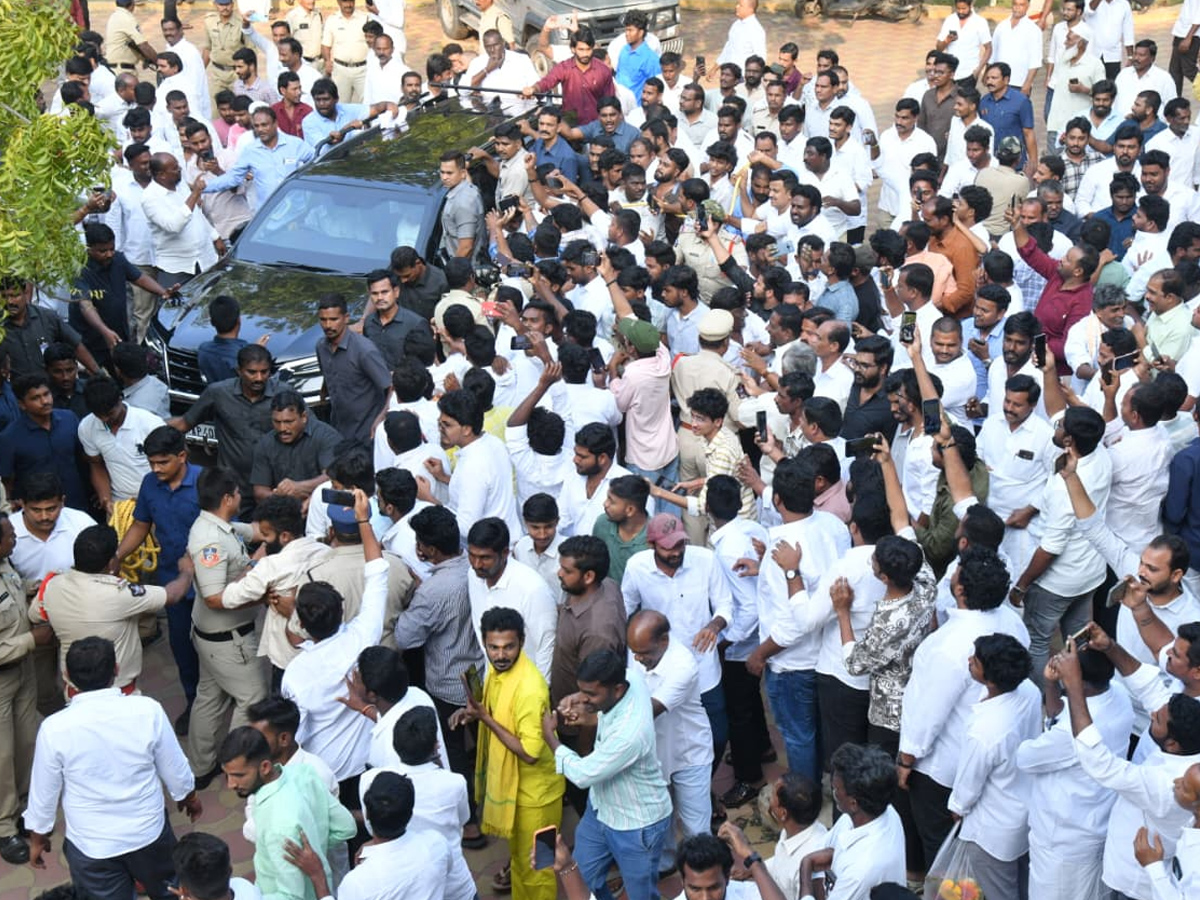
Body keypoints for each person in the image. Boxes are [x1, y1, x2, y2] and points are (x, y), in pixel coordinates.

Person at [25, 637, 201, 897]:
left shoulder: (54, 728)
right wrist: (189, 797)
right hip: (148, 832)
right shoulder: (146, 710)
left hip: (91, 845)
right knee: (172, 893)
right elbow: (174, 766)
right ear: (116, 670)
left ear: (67, 676)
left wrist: (38, 837)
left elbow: (44, 792)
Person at [896, 546, 1030, 873]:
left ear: (959, 589)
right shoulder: (1013, 623)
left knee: (940, 847)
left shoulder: (948, 645)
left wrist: (906, 759)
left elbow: (929, 713)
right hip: (991, 758)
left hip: (942, 766)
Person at [449, 608, 564, 900]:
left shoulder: (529, 688)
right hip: (519, 796)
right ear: (484, 644)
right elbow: (498, 712)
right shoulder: (498, 673)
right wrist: (471, 713)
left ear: (522, 642)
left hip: (539, 798)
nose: (501, 655)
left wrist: (485, 718)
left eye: (508, 647)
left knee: (540, 871)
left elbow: (529, 753)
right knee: (522, 866)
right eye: (494, 647)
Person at [544, 649, 673, 900]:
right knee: (580, 878)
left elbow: (583, 774)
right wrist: (585, 705)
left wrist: (550, 737)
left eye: (591, 694)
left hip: (637, 826)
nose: (583, 698)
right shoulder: (630, 678)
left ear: (617, 690)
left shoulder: (629, 735)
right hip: (601, 809)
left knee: (641, 896)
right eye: (581, 690)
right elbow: (605, 711)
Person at [1015, 645, 1134, 900]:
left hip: (1062, 841)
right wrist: (1051, 686)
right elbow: (1062, 714)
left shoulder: (1070, 733)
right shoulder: (1120, 695)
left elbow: (1025, 757)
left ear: (1079, 681)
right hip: (1094, 826)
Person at [35, 523, 192, 693]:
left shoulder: (51, 585)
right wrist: (187, 571)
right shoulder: (119, 594)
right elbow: (172, 595)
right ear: (111, 563)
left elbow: (36, 616)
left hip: (74, 693)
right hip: (119, 692)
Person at [186, 466, 269, 787]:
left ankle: (200, 766)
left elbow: (255, 531)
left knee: (210, 697)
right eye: (237, 493)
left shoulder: (222, 527)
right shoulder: (210, 541)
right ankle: (238, 768)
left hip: (213, 640)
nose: (240, 497)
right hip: (226, 641)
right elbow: (214, 598)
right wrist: (258, 597)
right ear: (227, 498)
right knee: (252, 698)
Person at [948, 634, 1041, 900]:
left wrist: (958, 808)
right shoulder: (1030, 693)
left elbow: (968, 784)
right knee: (1022, 885)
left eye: (975, 661)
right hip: (1024, 810)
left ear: (990, 678)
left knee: (999, 891)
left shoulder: (985, 731)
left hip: (992, 830)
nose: (969, 661)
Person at [218, 725, 356, 900]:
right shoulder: (304, 772)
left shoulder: (279, 827)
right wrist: (317, 845)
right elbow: (346, 826)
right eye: (227, 776)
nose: (231, 784)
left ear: (266, 767)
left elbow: (291, 897)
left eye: (239, 775)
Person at [626, 611, 714, 874]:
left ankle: (703, 875)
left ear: (663, 641)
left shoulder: (683, 665)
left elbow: (647, 711)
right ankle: (665, 866)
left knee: (696, 828)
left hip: (690, 755)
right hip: (654, 754)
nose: (638, 659)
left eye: (643, 653)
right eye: (634, 652)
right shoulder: (641, 651)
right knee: (659, 819)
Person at [0, 510, 51, 866]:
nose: (15, 538)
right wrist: (32, 640)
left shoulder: (6, 565)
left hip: (24, 673)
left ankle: (21, 806)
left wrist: (37, 589)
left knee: (27, 739)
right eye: (8, 535)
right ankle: (3, 828)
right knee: (1, 756)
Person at [798, 743, 907, 900]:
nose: (834, 793)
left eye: (836, 789)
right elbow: (827, 854)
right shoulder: (883, 810)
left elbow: (816, 864)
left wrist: (805, 867)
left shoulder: (861, 871)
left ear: (853, 802)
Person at [171, 343, 278, 499]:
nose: (259, 378)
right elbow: (184, 423)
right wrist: (147, 423)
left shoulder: (283, 393)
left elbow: (311, 428)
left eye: (264, 372)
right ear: (239, 371)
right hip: (234, 487)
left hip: (272, 486)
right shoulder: (218, 393)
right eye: (252, 372)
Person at [465, 517, 557, 680]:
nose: (477, 564)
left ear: (505, 553)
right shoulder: (473, 575)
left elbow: (546, 646)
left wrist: (541, 692)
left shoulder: (532, 589)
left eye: (485, 558)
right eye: (472, 556)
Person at [202, 106, 316, 211]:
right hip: (268, 216)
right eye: (256, 126)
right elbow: (233, 178)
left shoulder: (295, 144)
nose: (260, 129)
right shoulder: (250, 151)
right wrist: (204, 187)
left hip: (297, 212)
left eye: (264, 125)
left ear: (275, 124)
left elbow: (317, 161)